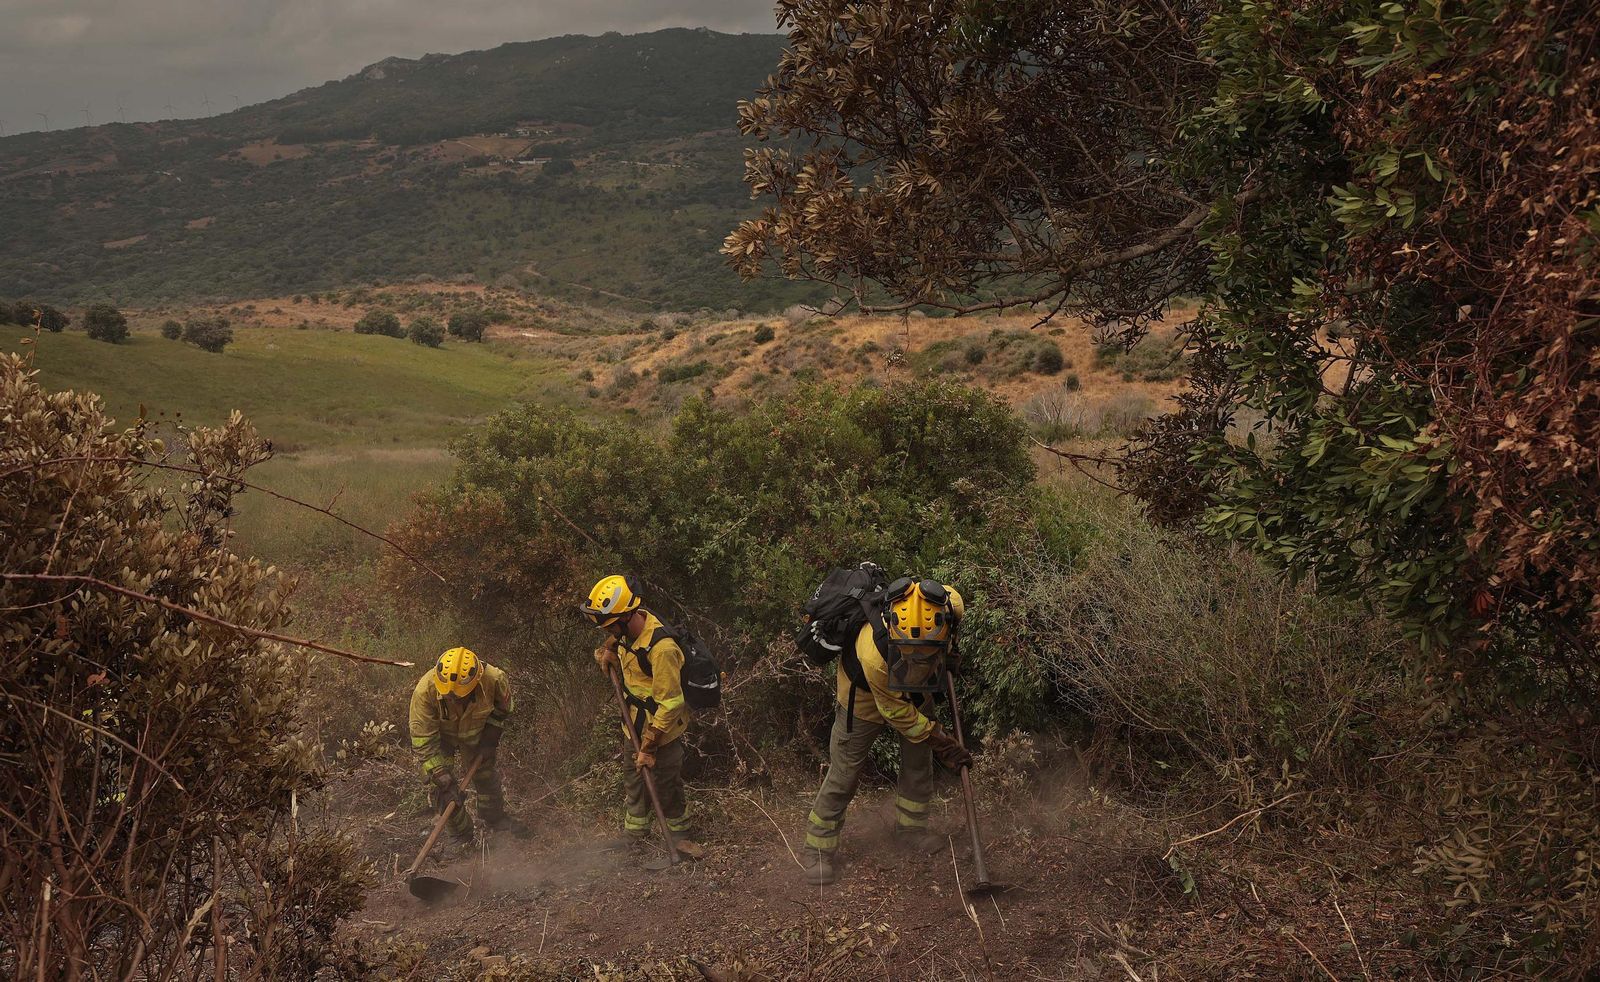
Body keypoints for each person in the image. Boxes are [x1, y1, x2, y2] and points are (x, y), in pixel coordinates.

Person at [801, 579, 972, 885]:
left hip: (917, 690)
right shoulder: (873, 654)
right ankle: (818, 848)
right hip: (863, 699)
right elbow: (895, 712)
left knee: (918, 764)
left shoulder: (948, 605)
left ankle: (911, 830)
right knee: (844, 775)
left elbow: (952, 631)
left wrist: (949, 654)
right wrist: (941, 742)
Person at [580, 574, 693, 844]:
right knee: (633, 778)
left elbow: (672, 704)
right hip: (633, 724)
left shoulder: (662, 649)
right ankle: (635, 832)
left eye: (610, 627)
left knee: (666, 784)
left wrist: (650, 746)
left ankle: (679, 836)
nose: (607, 631)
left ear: (626, 616)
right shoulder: (627, 631)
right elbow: (619, 644)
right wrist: (608, 650)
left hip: (662, 732)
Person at [408, 646, 522, 841]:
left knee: (485, 775)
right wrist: (442, 776)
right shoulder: (424, 692)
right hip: (441, 740)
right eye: (448, 697)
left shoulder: (494, 679)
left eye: (459, 696)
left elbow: (504, 708)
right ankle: (461, 836)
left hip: (477, 733)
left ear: (475, 683)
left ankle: (495, 819)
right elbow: (424, 742)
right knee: (444, 792)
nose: (453, 700)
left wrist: (490, 737)